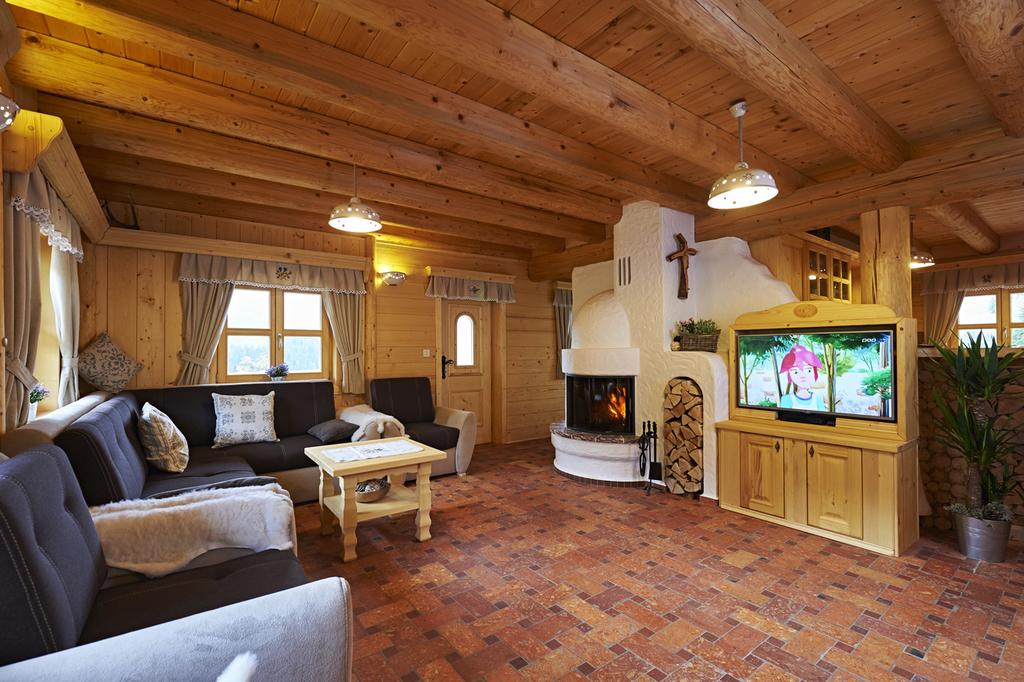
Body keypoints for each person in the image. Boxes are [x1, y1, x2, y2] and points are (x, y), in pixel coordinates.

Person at [778, 344, 826, 411]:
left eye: (808, 371)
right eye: (796, 372)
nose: (803, 376)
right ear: (789, 375)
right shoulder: (786, 399)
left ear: (814, 372)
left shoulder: (818, 399)